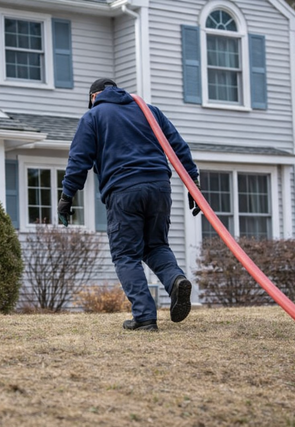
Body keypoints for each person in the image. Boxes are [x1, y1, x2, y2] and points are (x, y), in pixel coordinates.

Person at [58, 78, 200, 331]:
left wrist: (67, 196)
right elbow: (177, 146)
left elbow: (79, 159)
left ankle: (145, 316)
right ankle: (176, 280)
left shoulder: (93, 117)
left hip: (124, 190)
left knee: (125, 254)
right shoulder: (149, 110)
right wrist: (193, 184)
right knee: (155, 245)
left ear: (94, 97)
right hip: (159, 187)